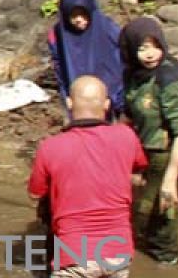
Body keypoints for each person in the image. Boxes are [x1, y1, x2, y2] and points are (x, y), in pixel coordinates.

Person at [28, 75, 146, 278]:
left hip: (74, 256)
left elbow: (35, 194)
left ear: (69, 102)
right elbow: (139, 169)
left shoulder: (49, 147)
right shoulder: (126, 136)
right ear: (107, 104)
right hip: (118, 253)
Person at [120, 17, 178, 265]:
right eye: (142, 48)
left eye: (155, 46)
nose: (150, 54)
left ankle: (168, 259)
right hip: (145, 151)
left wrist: (171, 179)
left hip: (172, 153)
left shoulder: (169, 78)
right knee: (140, 211)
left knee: (164, 213)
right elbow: (128, 116)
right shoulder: (133, 75)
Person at [48, 0, 124, 118]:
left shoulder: (108, 29)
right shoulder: (59, 34)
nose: (78, 20)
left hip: (110, 100)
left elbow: (122, 61)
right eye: (73, 15)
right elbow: (60, 68)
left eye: (83, 14)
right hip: (77, 102)